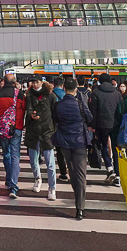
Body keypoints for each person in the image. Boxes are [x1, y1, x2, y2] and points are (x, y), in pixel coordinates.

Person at [52, 77, 92, 219]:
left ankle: (78, 196)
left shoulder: (58, 105)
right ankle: (80, 207)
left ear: (64, 88)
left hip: (64, 142)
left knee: (72, 170)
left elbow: (55, 120)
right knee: (81, 174)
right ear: (76, 89)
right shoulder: (80, 104)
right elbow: (89, 118)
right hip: (79, 141)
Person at [24, 79, 58, 200]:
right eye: (33, 82)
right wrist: (31, 115)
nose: (35, 84)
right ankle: (37, 179)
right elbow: (27, 110)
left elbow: (55, 114)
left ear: (42, 82)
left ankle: (52, 188)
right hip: (33, 131)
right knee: (33, 160)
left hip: (47, 131)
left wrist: (54, 129)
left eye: (37, 81)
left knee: (50, 162)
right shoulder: (29, 95)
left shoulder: (51, 96)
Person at [0, 72, 25, 198]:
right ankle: (13, 186)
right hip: (16, 128)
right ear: (14, 82)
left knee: (6, 154)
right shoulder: (20, 94)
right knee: (15, 156)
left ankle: (8, 178)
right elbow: (24, 109)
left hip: (3, 128)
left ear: (4, 82)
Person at [89, 72, 122, 184]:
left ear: (99, 81)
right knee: (115, 148)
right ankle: (118, 175)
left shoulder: (96, 93)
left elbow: (93, 110)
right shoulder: (117, 93)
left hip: (101, 124)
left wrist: (93, 126)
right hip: (115, 124)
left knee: (103, 146)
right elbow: (119, 110)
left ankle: (109, 167)